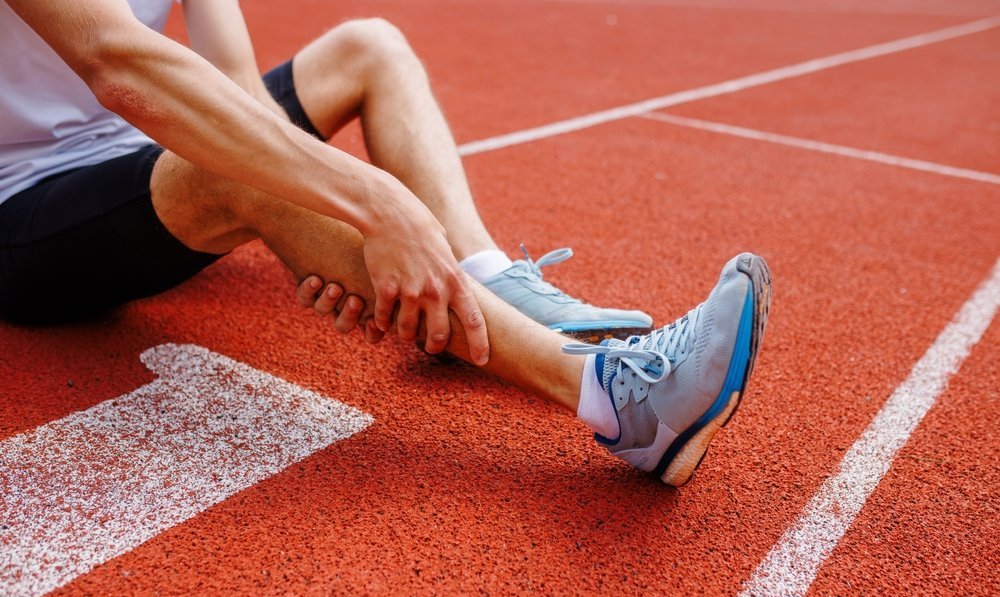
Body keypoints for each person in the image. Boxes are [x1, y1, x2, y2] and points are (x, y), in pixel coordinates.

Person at [0, 0, 772, 485]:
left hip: (140, 161)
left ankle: (481, 279)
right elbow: (117, 64)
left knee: (371, 45)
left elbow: (238, 90)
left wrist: (314, 230)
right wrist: (371, 204)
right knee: (236, 172)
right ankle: (622, 402)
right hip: (25, 212)